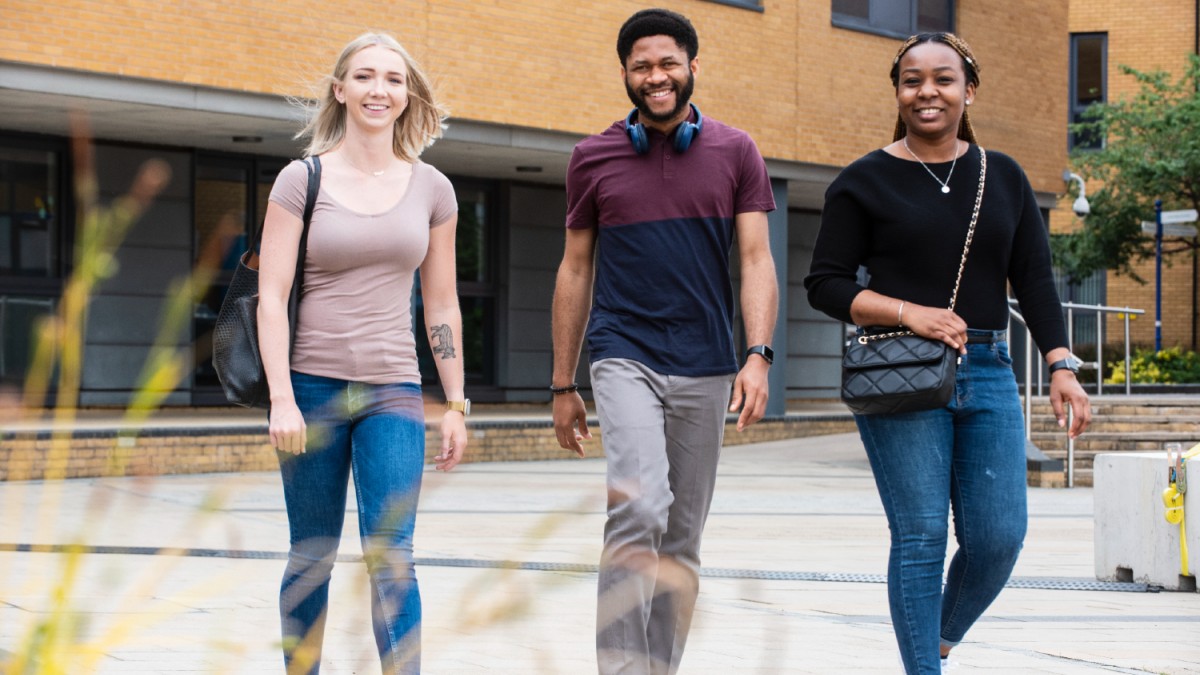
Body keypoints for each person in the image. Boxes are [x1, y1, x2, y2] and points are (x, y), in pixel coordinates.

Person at [804, 33, 1092, 674]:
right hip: (899, 371)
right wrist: (910, 312)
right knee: (921, 536)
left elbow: (1036, 281)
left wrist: (1061, 364)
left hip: (988, 368)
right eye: (911, 80)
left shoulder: (1004, 176)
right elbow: (825, 284)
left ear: (969, 89)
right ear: (898, 91)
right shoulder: (862, 181)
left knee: (998, 537)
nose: (926, 92)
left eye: (942, 79)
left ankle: (934, 637)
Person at [551, 8, 779, 674]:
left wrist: (757, 354)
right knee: (639, 510)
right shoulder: (591, 158)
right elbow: (574, 267)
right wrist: (564, 383)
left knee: (681, 538)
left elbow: (757, 259)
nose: (656, 76)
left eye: (667, 63)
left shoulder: (737, 152)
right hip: (624, 352)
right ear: (625, 73)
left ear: (693, 68)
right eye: (642, 65)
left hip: (706, 361)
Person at [257, 32, 467, 675]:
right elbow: (271, 295)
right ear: (341, 89)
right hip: (313, 388)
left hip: (393, 391)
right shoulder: (302, 179)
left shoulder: (433, 188)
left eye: (394, 80)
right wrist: (282, 398)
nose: (381, 90)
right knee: (311, 555)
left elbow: (442, 304)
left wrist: (456, 401)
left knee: (392, 555)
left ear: (408, 95)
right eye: (366, 77)